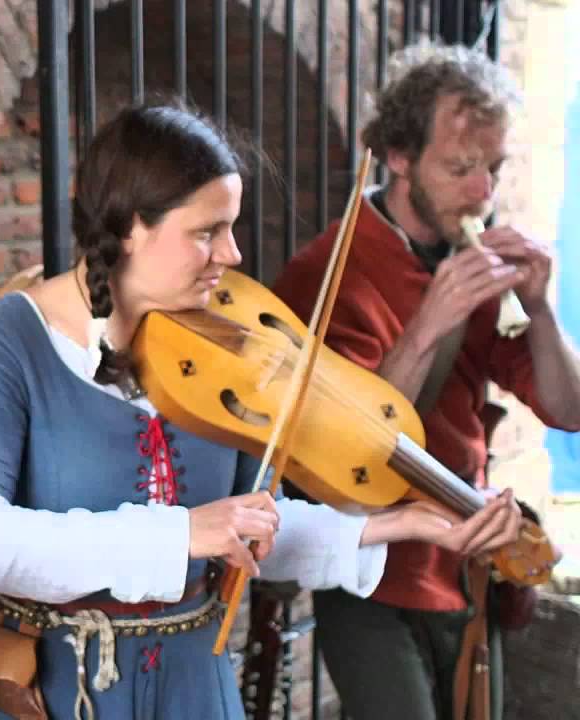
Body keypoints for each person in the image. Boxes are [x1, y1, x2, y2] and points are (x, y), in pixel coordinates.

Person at [0, 103, 526, 720]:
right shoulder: (14, 333)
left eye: (232, 227)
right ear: (130, 227)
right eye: (207, 232)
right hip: (51, 693)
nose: (231, 254)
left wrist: (400, 523)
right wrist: (180, 534)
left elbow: (251, 527)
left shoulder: (224, 343)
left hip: (193, 689)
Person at [272, 43, 580, 720]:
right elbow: (345, 452)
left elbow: (569, 410)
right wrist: (430, 323)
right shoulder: (330, 269)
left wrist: (540, 308)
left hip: (469, 559)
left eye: (494, 168)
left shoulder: (468, 251)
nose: (483, 193)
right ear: (399, 156)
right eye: (460, 168)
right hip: (374, 571)